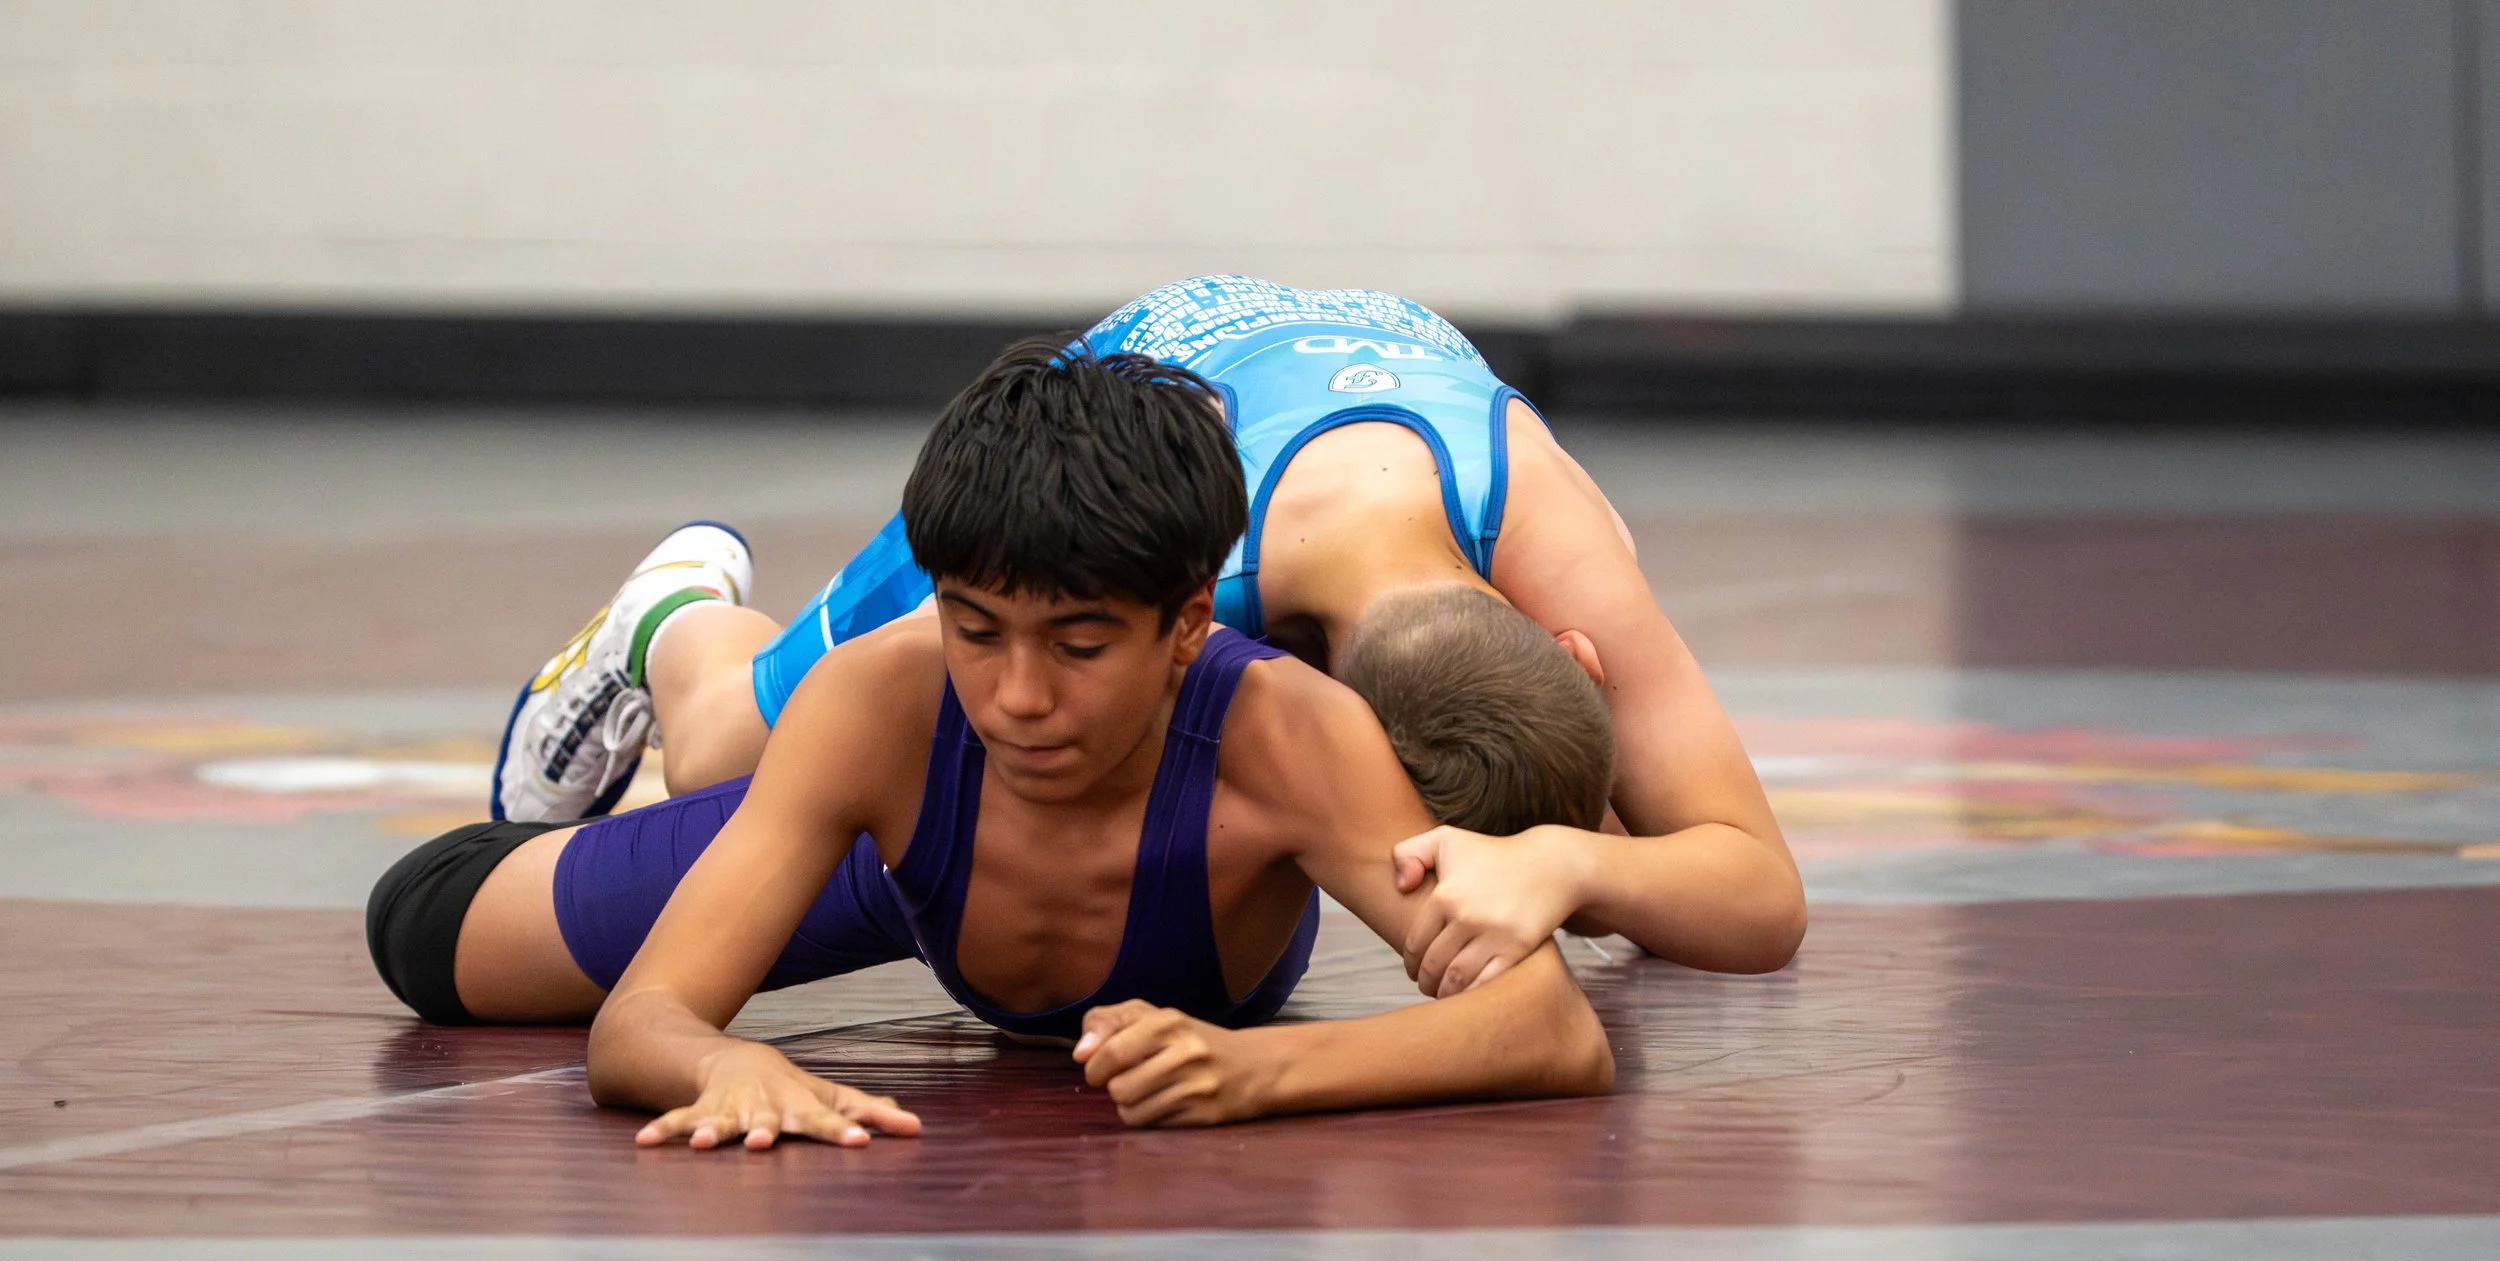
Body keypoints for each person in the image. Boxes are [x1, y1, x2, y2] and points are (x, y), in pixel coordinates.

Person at [368, 341, 1614, 1147]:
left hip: (1113, 887)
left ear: (1188, 625)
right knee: (431, 932)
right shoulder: (888, 702)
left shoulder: (1288, 734)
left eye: (1078, 647)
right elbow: (643, 1022)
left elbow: (1547, 1025)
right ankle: (674, 621)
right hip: (895, 858)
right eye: (976, 631)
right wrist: (717, 1067)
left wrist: (1262, 1072)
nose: (1017, 697)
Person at [492, 277, 1807, 995]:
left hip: (1363, 367)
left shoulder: (1571, 552)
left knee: (1568, 812)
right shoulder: (1177, 584)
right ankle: (673, 617)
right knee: (724, 755)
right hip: (1130, 409)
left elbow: (1765, 899)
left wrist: (1571, 860)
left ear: (1575, 653)